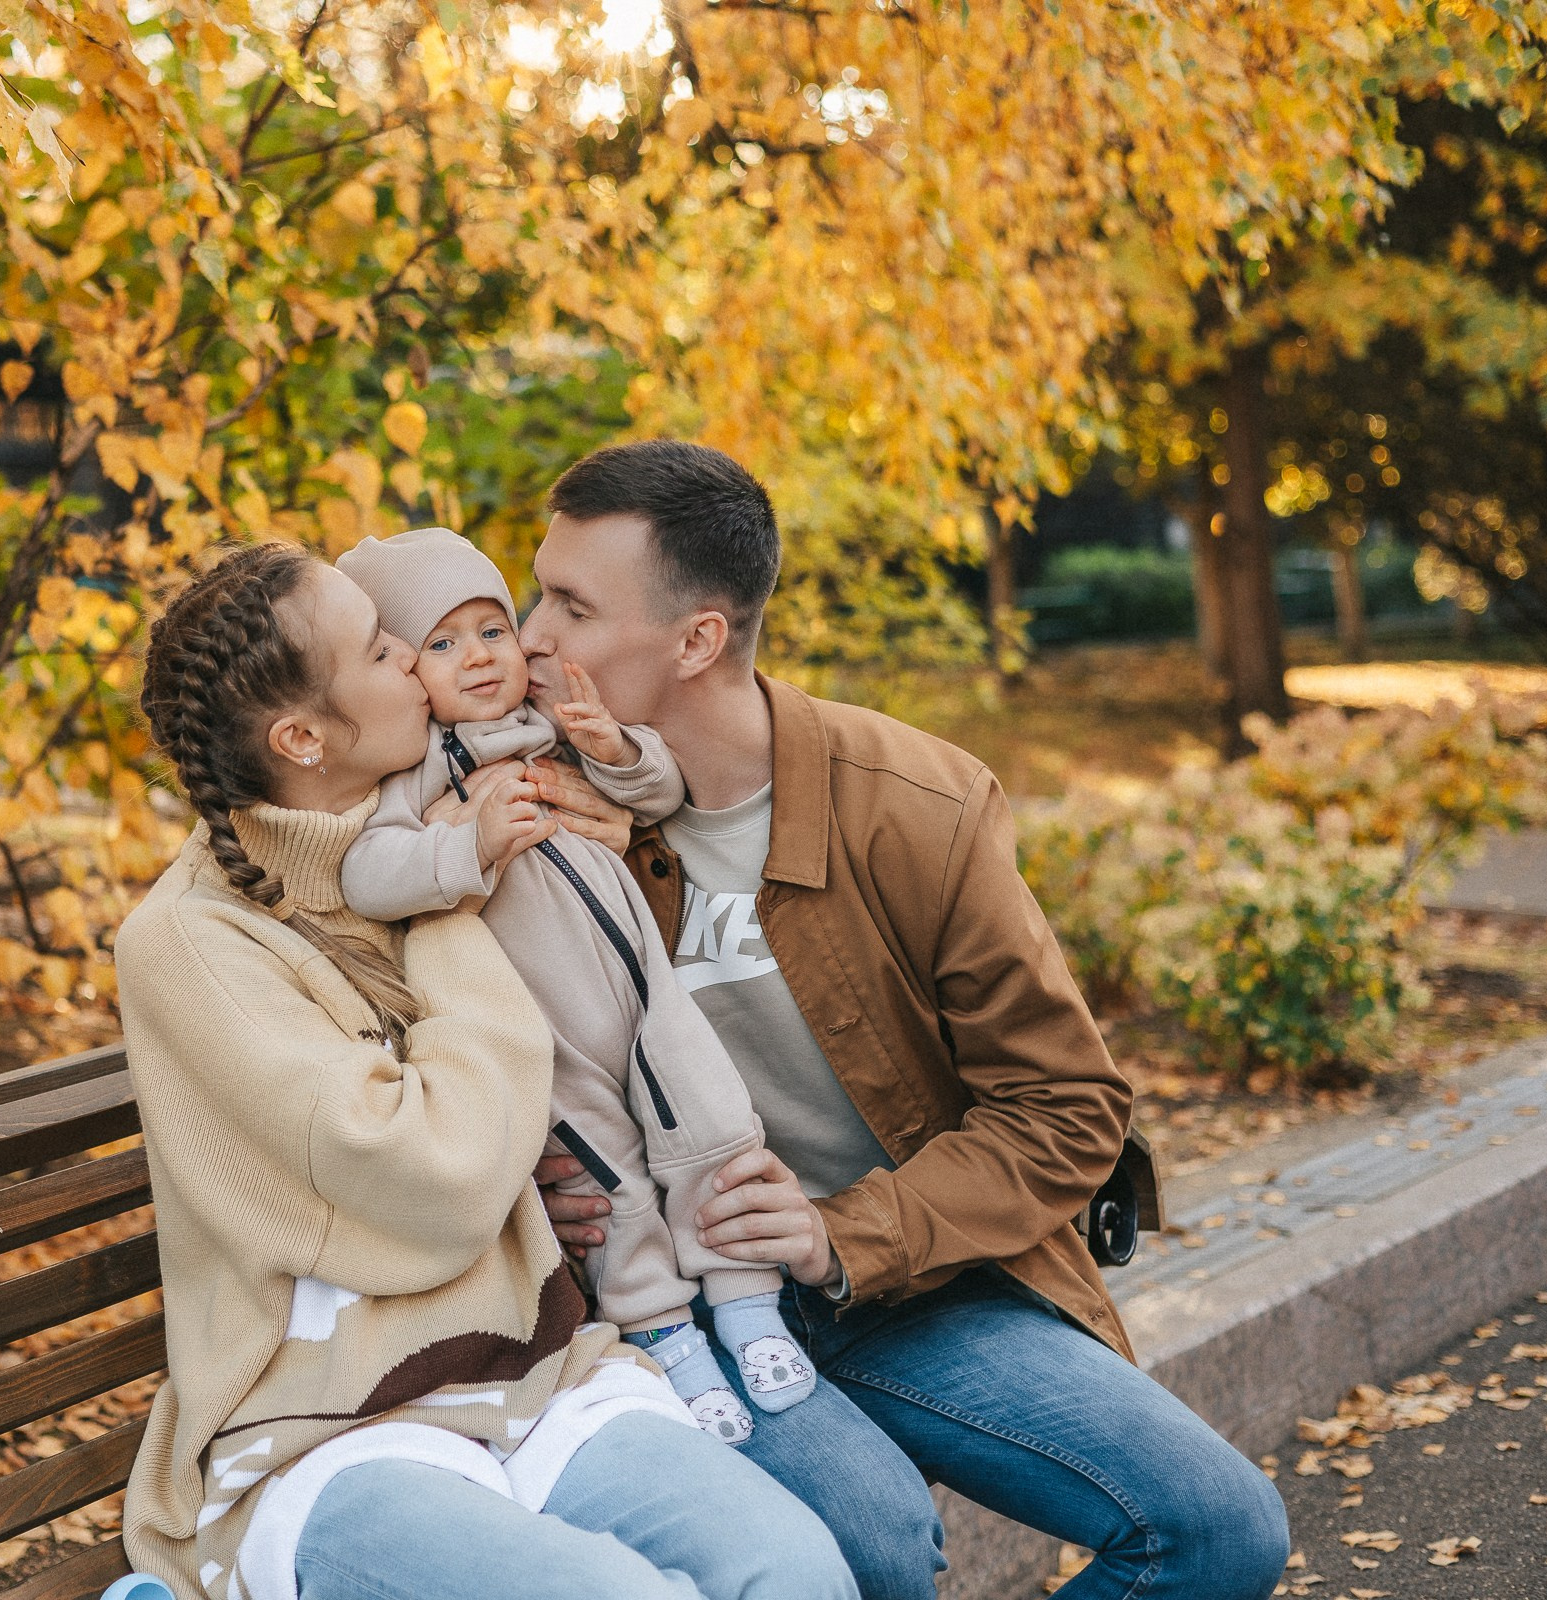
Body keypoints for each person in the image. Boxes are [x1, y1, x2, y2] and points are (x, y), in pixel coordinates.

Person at [515, 441, 1292, 1600]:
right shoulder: (522, 808)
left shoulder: (915, 803)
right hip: (673, 1312)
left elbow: (1067, 1108)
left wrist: (845, 1237)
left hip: (902, 1281)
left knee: (1222, 1528)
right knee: (869, 1546)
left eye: (569, 605)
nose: (529, 636)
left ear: (697, 639)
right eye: (536, 591)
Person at [114, 540, 858, 1600]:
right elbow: (439, 1168)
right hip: (334, 1423)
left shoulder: (429, 828)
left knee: (797, 1576)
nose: (421, 663)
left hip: (539, 1369)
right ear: (302, 737)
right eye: (383, 650)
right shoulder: (194, 940)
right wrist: (450, 891)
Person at [332, 525, 816, 1444]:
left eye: (491, 630)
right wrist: (465, 845)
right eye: (440, 644)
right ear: (403, 668)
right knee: (608, 1176)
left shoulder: (553, 727)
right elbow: (370, 872)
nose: (478, 657)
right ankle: (669, 1336)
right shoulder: (423, 773)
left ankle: (750, 1307)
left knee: (709, 1117)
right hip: (545, 1025)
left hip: (643, 987)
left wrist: (615, 751)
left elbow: (660, 793)